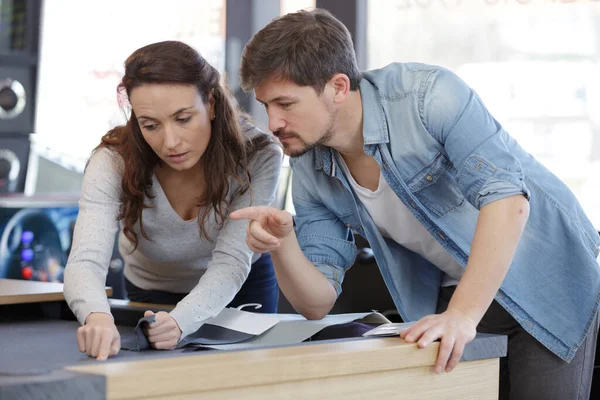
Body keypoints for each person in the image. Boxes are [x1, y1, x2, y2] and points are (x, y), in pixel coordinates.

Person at [230, 8, 600, 400]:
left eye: (285, 104)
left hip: (542, 279)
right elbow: (317, 303)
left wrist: (462, 315)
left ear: (338, 87)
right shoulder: (309, 165)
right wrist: (282, 244)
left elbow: (508, 202)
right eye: (266, 105)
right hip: (451, 296)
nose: (272, 123)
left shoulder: (428, 96)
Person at [63, 40, 283, 361]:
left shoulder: (258, 154)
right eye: (150, 125)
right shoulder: (112, 159)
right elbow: (85, 260)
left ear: (210, 102)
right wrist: (97, 316)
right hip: (150, 289)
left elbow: (231, 261)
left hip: (240, 290)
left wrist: (182, 321)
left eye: (183, 119)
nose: (170, 142)